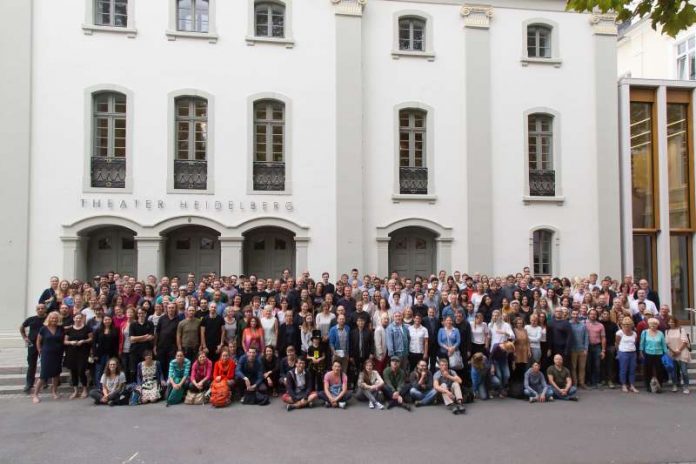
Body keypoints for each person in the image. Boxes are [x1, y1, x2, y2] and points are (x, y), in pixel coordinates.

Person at [32, 311, 64, 404]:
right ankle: (35, 395)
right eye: (52, 318)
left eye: (55, 318)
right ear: (49, 319)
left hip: (58, 354)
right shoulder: (43, 329)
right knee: (43, 375)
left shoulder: (60, 328)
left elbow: (62, 340)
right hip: (47, 354)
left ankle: (54, 392)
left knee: (56, 374)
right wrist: (39, 350)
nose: (54, 319)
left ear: (58, 319)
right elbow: (38, 341)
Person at [63, 313, 93, 399]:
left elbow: (91, 338)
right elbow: (65, 341)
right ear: (74, 319)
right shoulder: (69, 329)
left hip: (83, 352)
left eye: (80, 318)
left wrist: (83, 341)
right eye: (77, 318)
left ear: (82, 319)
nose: (78, 319)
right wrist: (71, 342)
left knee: (81, 371)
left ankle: (84, 389)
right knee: (73, 372)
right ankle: (75, 390)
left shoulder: (87, 328)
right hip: (71, 353)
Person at [19, 304, 47, 393]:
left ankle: (44, 381)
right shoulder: (31, 319)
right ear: (36, 310)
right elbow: (21, 327)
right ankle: (29, 384)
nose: (40, 310)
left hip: (44, 344)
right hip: (32, 345)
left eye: (42, 308)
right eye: (38, 309)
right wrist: (25, 337)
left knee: (44, 363)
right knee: (32, 364)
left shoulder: (48, 319)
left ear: (45, 309)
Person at [639, 317, 669, 393]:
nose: (653, 325)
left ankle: (659, 386)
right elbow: (642, 343)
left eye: (655, 324)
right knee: (647, 370)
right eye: (652, 324)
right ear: (649, 324)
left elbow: (663, 344)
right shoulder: (644, 332)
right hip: (648, 353)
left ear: (657, 325)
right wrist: (641, 351)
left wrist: (666, 353)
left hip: (659, 354)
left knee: (659, 371)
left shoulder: (660, 333)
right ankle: (648, 386)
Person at [665, 316, 690, 394]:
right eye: (669, 322)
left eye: (672, 321)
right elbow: (667, 343)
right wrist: (673, 351)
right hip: (672, 353)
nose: (671, 323)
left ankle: (686, 387)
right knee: (673, 371)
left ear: (675, 322)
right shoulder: (667, 331)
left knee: (684, 371)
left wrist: (678, 350)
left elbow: (685, 342)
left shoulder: (681, 329)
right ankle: (674, 385)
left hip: (682, 352)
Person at [616, 317, 639, 393]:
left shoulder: (634, 333)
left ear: (631, 325)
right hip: (623, 352)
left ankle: (632, 385)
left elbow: (634, 343)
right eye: (625, 324)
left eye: (628, 324)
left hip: (632, 353)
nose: (627, 326)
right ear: (622, 325)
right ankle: (624, 385)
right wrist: (618, 353)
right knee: (623, 369)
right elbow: (617, 343)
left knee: (632, 370)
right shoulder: (619, 333)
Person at [585, 308, 606, 389]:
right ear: (588, 315)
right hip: (587, 346)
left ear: (597, 315)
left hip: (597, 346)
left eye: (594, 314)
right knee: (588, 364)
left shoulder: (600, 325)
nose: (593, 315)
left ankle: (596, 381)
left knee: (597, 365)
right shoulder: (584, 324)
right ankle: (588, 381)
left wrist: (603, 350)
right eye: (591, 314)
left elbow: (603, 338)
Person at [568, 309, 589, 389]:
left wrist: (586, 348)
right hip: (573, 349)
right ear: (571, 315)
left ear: (579, 315)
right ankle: (575, 383)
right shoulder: (569, 324)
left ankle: (582, 382)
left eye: (577, 314)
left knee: (582, 367)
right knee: (573, 367)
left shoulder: (583, 325)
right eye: (573, 314)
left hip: (582, 349)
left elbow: (586, 337)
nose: (575, 316)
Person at [600, 309, 618, 389]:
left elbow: (616, 336)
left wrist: (615, 345)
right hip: (600, 346)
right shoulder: (599, 324)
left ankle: (610, 380)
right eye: (604, 314)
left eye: (607, 314)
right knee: (602, 363)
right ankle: (603, 379)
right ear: (602, 315)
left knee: (610, 364)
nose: (605, 315)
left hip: (611, 346)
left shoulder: (613, 324)